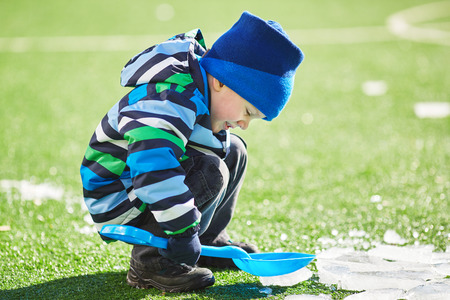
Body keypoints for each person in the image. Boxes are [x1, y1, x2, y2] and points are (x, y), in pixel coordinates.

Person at [80, 11, 304, 292]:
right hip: (119, 195)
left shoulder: (201, 91)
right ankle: (151, 263)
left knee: (234, 150)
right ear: (221, 81)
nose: (245, 124)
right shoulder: (169, 98)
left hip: (143, 187)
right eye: (248, 111)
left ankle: (207, 241)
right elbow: (153, 168)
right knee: (211, 171)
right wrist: (183, 230)